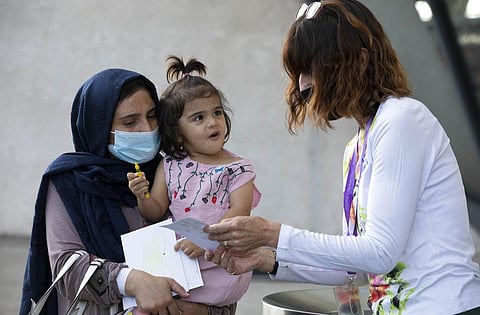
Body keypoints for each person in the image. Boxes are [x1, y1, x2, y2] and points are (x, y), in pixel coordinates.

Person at [204, 1, 480, 314]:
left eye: (312, 68)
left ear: (360, 60)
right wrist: (266, 259)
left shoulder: (402, 119)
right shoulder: (359, 144)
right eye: (299, 72)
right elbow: (358, 267)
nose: (303, 85)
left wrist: (271, 233)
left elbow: (379, 253)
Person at [20, 68, 214, 315]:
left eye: (153, 116)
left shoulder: (174, 172)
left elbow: (209, 244)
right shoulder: (70, 181)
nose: (146, 129)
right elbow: (66, 267)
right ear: (99, 129)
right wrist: (130, 281)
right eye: (130, 122)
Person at [127, 56, 261, 315]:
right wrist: (141, 193)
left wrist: (205, 238)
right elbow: (154, 211)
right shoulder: (169, 166)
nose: (213, 122)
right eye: (198, 118)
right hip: (181, 264)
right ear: (178, 132)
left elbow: (240, 212)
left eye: (217, 113)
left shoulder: (238, 167)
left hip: (221, 264)